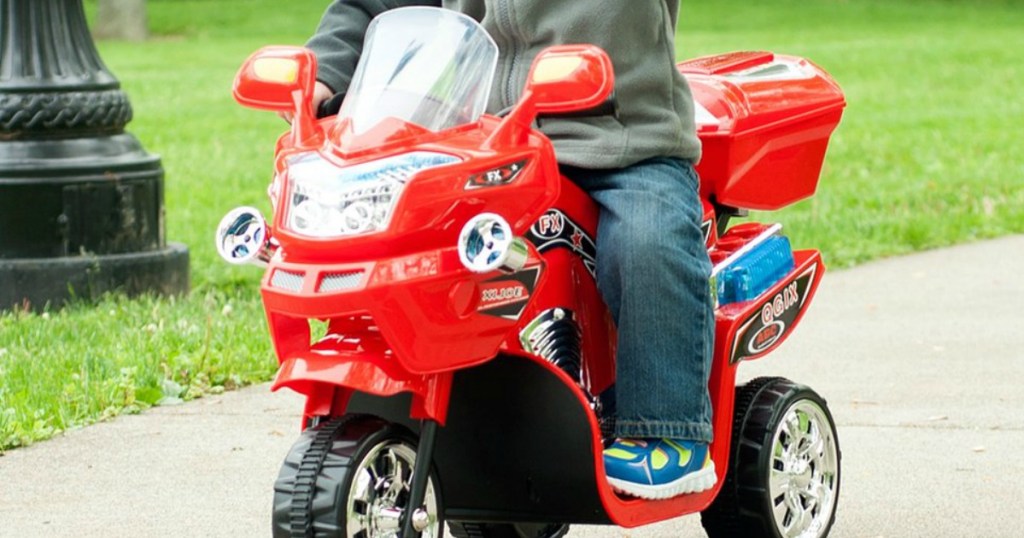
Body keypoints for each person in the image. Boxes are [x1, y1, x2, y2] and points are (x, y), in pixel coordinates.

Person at [303, 0, 715, 500]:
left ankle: (667, 426)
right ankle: (458, 415)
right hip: (494, 142)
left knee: (646, 238)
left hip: (624, 141)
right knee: (427, 247)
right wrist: (326, 71)